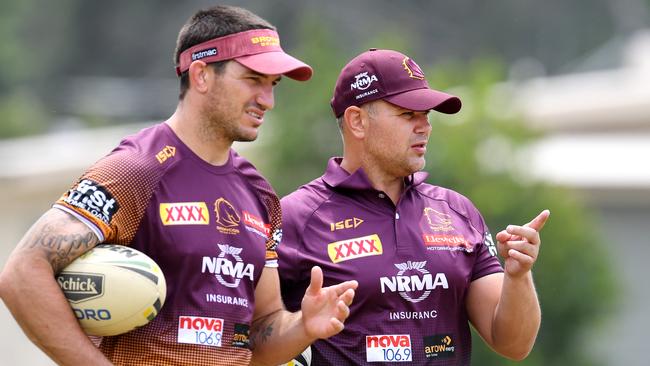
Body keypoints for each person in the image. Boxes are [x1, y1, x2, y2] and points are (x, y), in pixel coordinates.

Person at [0, 5, 358, 366]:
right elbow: (22, 275)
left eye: (272, 85)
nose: (268, 100)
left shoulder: (260, 194)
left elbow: (260, 333)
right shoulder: (135, 169)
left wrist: (303, 326)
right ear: (201, 75)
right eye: (253, 79)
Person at [278, 48, 550, 365]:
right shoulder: (296, 216)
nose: (424, 126)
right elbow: (254, 337)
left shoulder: (457, 210)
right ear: (357, 121)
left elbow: (513, 344)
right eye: (408, 114)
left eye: (427, 115)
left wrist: (518, 276)